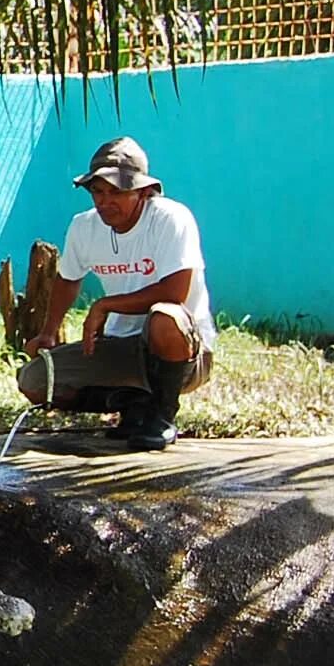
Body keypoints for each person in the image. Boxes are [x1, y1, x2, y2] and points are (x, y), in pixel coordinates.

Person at [20, 137, 215, 451]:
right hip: (120, 346)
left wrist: (105, 306)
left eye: (117, 192)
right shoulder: (83, 227)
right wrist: (48, 331)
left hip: (183, 350)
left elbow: (176, 292)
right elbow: (68, 278)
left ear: (142, 191)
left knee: (164, 316)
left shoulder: (171, 219)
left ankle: (162, 416)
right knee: (35, 379)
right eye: (98, 191)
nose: (105, 201)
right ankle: (134, 403)